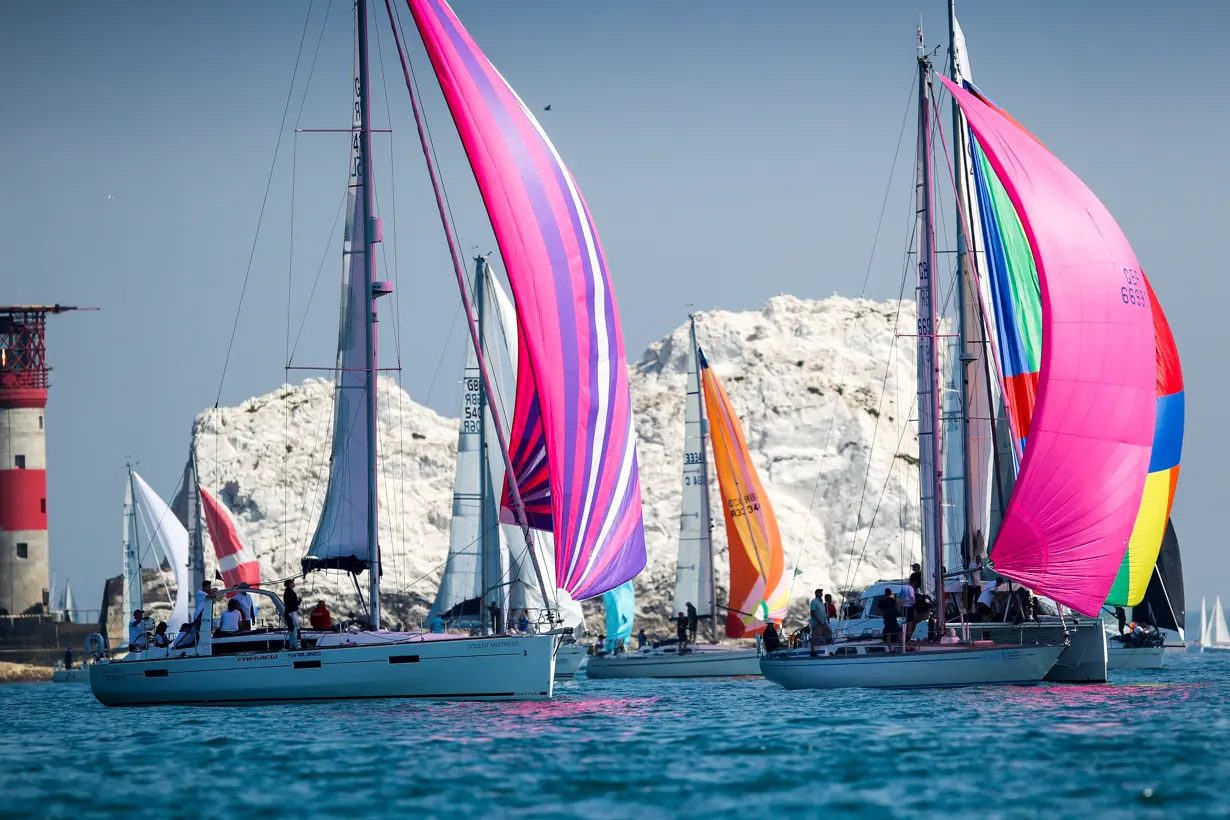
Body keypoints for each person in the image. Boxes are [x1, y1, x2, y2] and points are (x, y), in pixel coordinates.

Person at [809, 589, 832, 656]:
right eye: (819, 592)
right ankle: (812, 651)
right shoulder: (814, 601)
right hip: (817, 623)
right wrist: (818, 620)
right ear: (816, 593)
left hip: (823, 622)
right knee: (815, 637)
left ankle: (828, 648)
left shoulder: (821, 602)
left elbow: (822, 612)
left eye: (821, 592)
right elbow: (812, 612)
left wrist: (826, 617)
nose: (821, 594)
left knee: (828, 633)